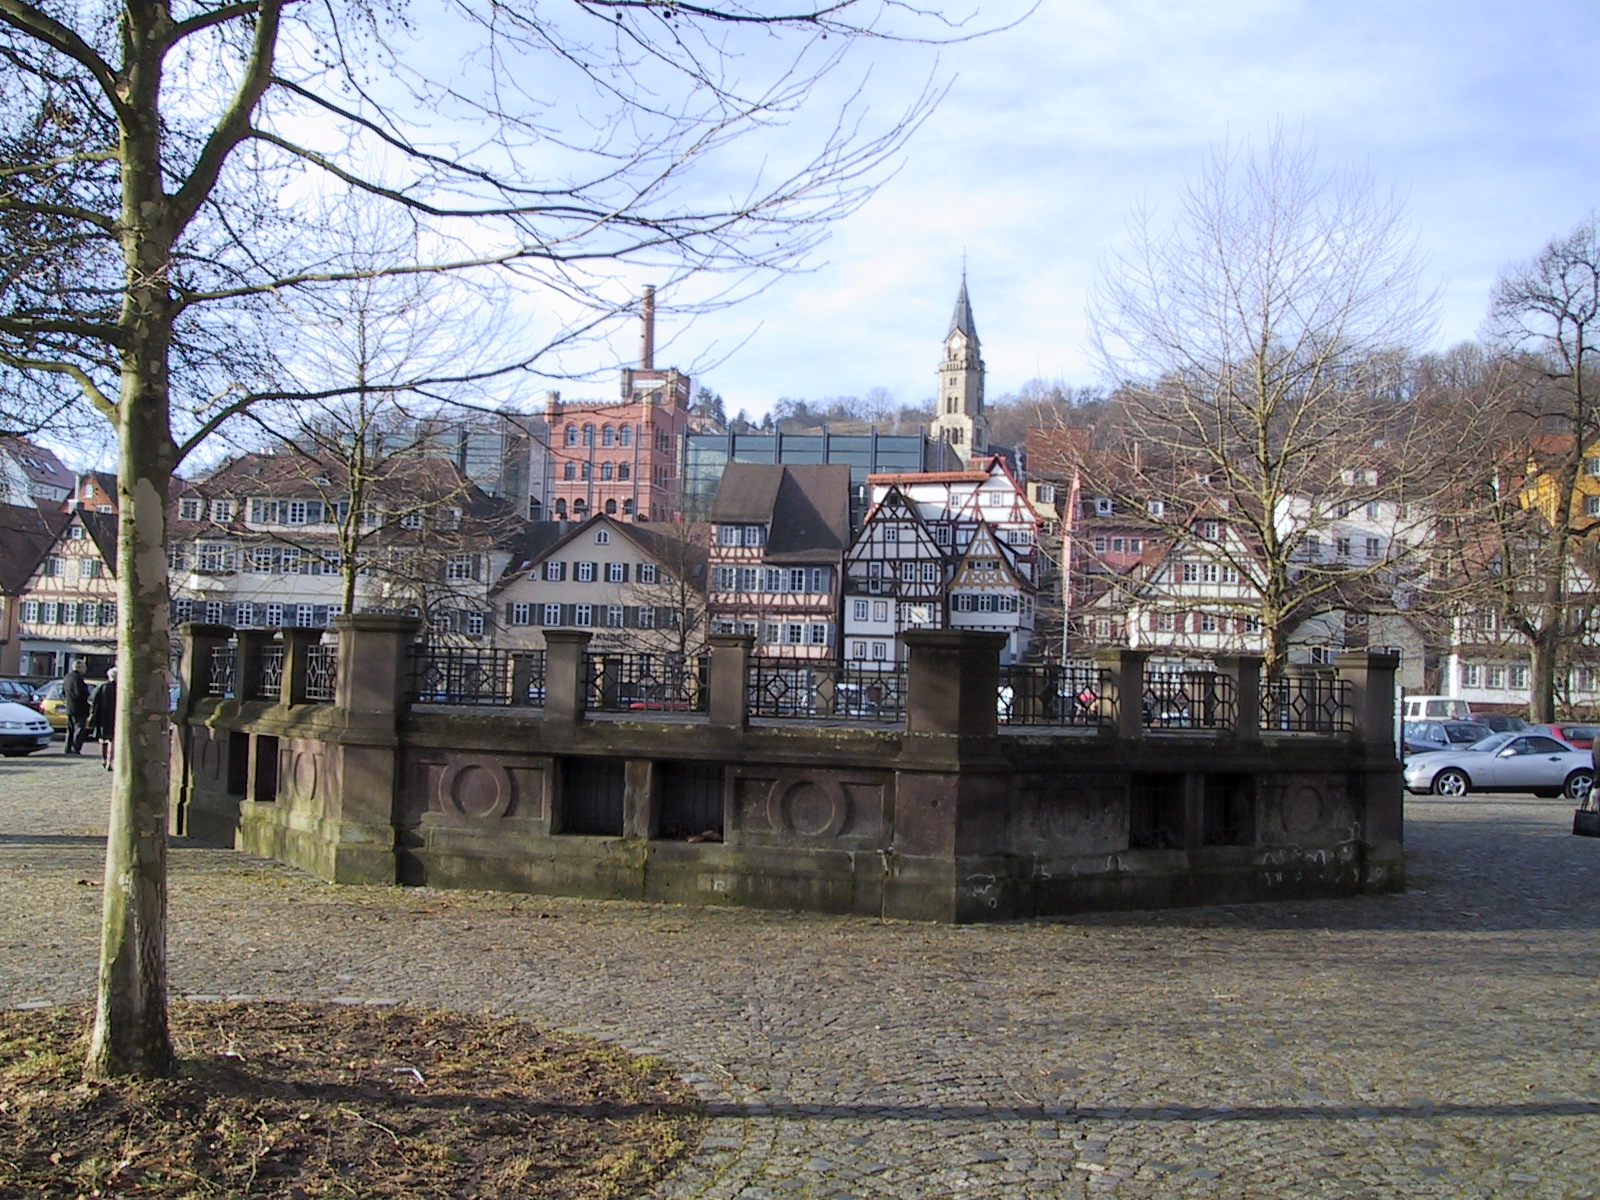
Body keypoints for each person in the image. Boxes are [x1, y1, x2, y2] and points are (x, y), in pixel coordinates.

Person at [89, 667, 117, 771]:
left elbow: (93, 701)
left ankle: (104, 759)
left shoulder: (102, 687)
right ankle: (110, 761)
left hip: (102, 717)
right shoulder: (121, 688)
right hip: (114, 717)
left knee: (103, 740)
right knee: (112, 741)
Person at [62, 659, 90, 755]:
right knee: (80, 729)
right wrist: (87, 694)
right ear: (79, 668)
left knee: (70, 729)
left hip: (69, 707)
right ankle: (75, 748)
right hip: (79, 707)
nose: (85, 669)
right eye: (84, 667)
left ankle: (67, 748)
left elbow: (63, 692)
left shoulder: (67, 677)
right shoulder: (78, 678)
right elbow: (80, 693)